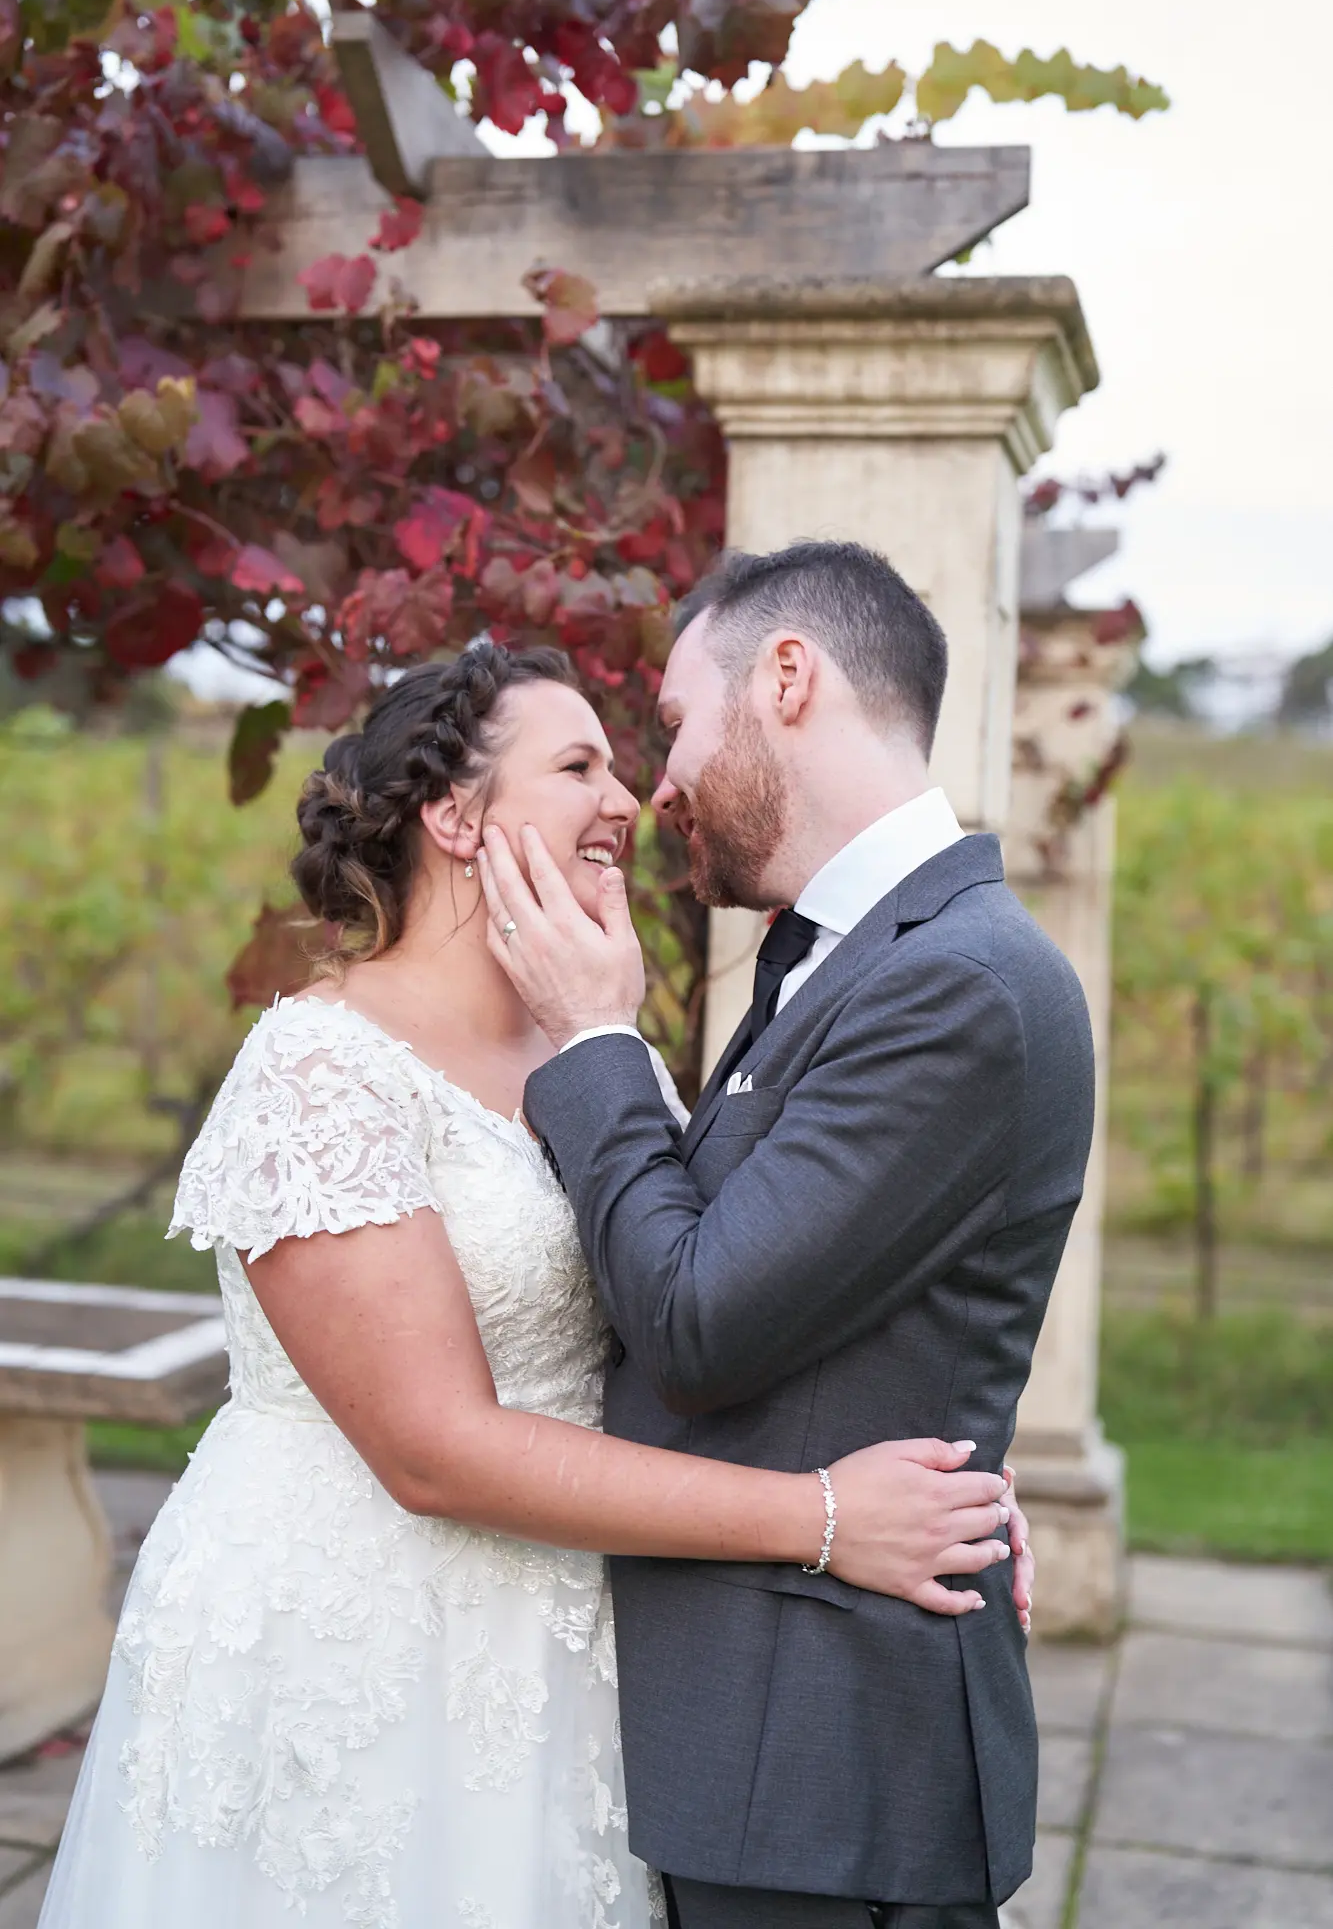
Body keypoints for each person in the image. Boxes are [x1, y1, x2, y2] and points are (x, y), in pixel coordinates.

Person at [37, 643, 1023, 1929]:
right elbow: (433, 1451)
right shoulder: (319, 1073)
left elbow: (712, 1310)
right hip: (358, 1638)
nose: (628, 798)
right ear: (455, 813)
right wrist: (825, 1514)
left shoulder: (599, 1051)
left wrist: (957, 1492)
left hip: (567, 1637)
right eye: (578, 765)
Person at [478, 542, 1097, 1929]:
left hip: (818, 1767)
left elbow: (697, 1319)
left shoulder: (961, 986)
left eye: (679, 721)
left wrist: (593, 1038)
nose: (665, 782)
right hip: (747, 1742)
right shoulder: (850, 958)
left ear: (789, 677)